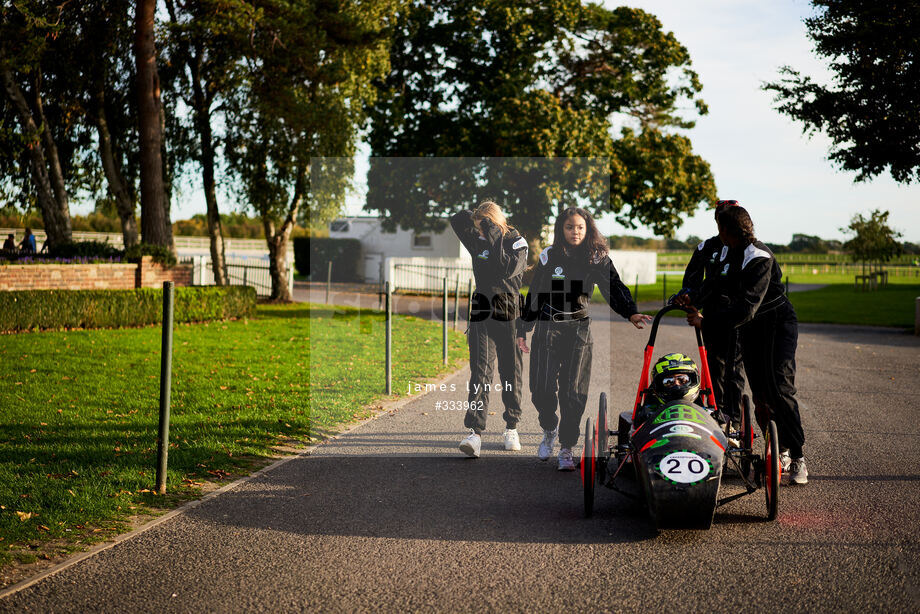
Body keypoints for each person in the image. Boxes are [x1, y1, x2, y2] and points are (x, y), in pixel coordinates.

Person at [517, 207, 651, 471]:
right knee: (541, 389)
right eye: (569, 227)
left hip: (579, 329)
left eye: (580, 227)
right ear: (561, 229)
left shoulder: (597, 257)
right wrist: (523, 329)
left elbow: (614, 286)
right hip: (548, 326)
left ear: (587, 228)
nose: (575, 232)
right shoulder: (549, 256)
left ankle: (566, 447)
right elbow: (535, 293)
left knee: (573, 393)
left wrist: (631, 312)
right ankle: (549, 428)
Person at [686, 205, 808, 485]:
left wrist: (707, 322)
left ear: (725, 231)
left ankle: (798, 456)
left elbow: (746, 308)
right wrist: (690, 300)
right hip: (752, 327)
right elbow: (714, 286)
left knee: (780, 387)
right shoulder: (730, 253)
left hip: (777, 324)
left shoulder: (759, 257)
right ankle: (779, 450)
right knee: (761, 395)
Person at [450, 201, 529, 458]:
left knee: (511, 374)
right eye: (478, 230)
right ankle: (475, 433)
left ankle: (511, 427)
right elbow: (455, 219)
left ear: (494, 224)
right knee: (480, 372)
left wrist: (493, 232)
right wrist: (478, 219)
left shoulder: (518, 243)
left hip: (509, 316)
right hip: (482, 315)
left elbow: (507, 269)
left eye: (483, 229)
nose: (479, 234)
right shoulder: (478, 241)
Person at [677, 200, 747, 427]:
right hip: (711, 317)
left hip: (737, 317)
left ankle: (734, 422)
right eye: (720, 218)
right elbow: (691, 282)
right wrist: (690, 302)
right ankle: (715, 415)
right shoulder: (705, 247)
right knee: (713, 367)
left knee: (734, 370)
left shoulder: (745, 247)